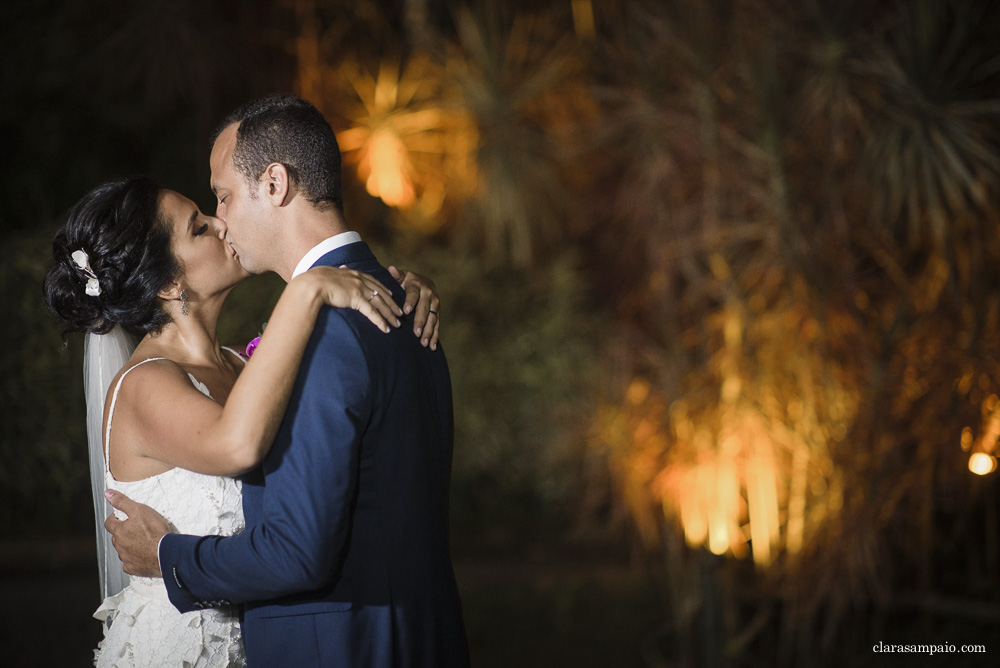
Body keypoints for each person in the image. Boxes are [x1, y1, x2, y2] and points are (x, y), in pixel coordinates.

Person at [106, 94, 471, 667]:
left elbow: (298, 551)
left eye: (222, 197)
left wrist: (169, 556)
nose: (220, 219)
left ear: (274, 184)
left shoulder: (322, 331)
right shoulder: (393, 300)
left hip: (342, 648)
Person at [43, 175, 442, 666]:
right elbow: (238, 446)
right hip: (186, 649)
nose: (220, 221)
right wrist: (306, 290)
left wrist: (405, 287)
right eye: (198, 228)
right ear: (170, 283)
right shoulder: (144, 384)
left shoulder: (244, 364)